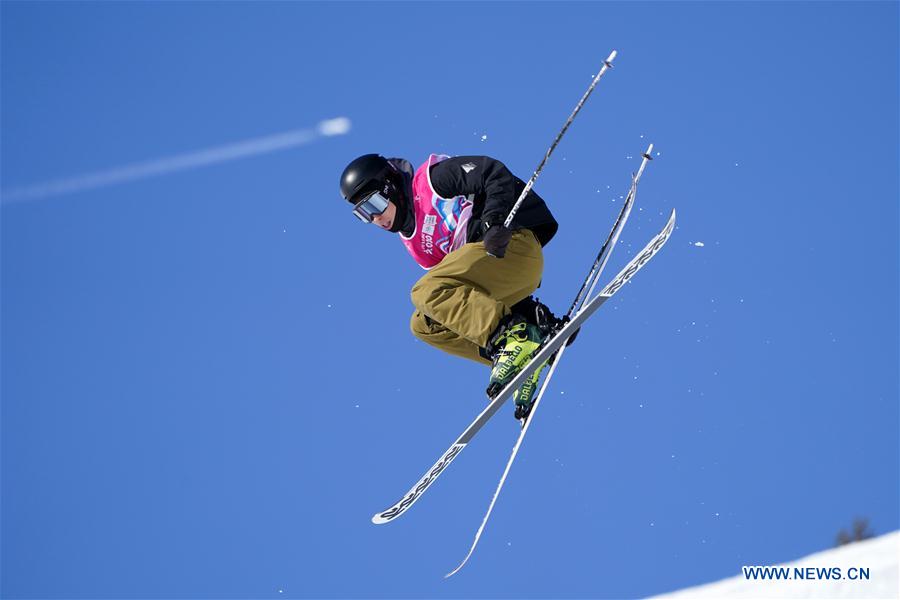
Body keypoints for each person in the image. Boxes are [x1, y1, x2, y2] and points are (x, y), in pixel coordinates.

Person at [339, 153, 561, 422]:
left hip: (514, 246)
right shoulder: (417, 246)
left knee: (424, 291)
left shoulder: (433, 182)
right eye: (363, 214)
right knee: (423, 324)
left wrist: (492, 222)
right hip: (503, 277)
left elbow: (492, 171)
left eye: (374, 204)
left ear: (391, 186)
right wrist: (531, 313)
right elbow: (466, 294)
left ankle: (514, 336)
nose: (375, 218)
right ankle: (522, 351)